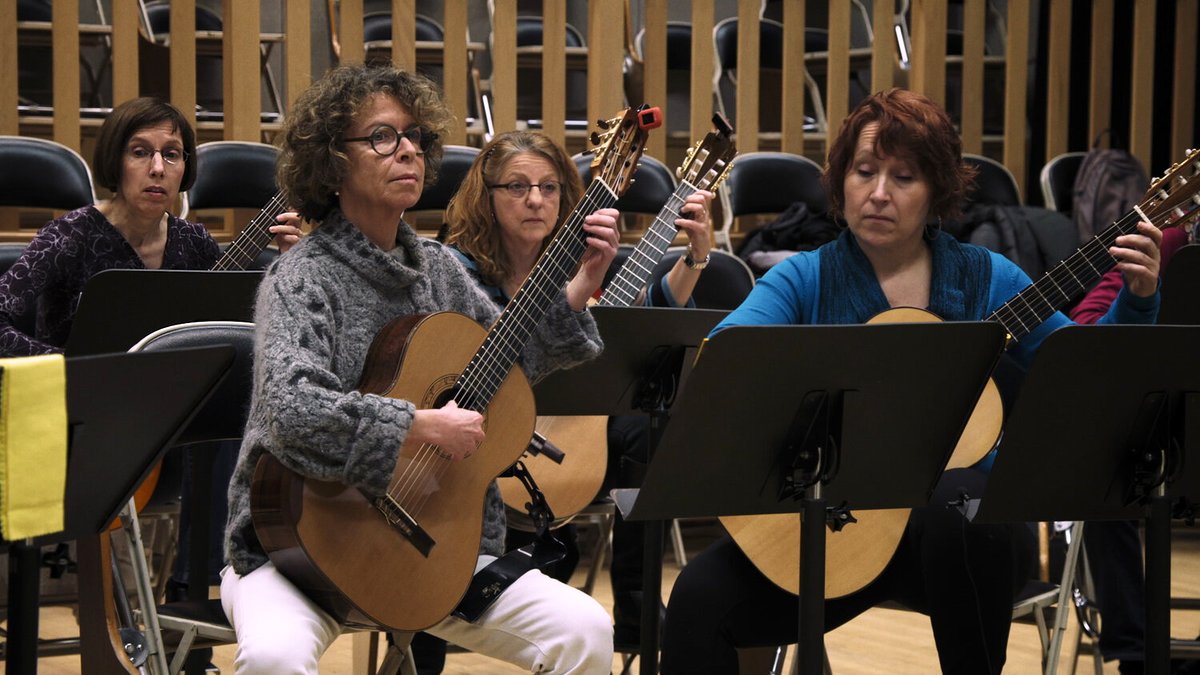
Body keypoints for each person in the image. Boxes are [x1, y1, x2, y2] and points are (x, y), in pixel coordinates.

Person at [659, 88, 1163, 675]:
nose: (878, 193)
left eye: (903, 177)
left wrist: (1140, 299)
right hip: (837, 530)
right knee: (698, 596)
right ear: (840, 180)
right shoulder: (804, 278)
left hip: (964, 542)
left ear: (936, 194)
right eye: (864, 171)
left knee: (957, 509)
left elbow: (1087, 375)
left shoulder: (985, 278)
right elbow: (729, 358)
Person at [219, 64, 617, 674]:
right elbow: (290, 410)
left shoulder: (440, 270)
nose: (406, 149)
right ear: (332, 160)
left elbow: (506, 373)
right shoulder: (300, 276)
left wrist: (580, 286)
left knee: (584, 628)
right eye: (382, 137)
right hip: (298, 546)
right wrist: (418, 425)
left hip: (430, 544)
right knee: (275, 657)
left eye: (414, 137)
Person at [437, 129, 714, 659]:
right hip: (474, 450)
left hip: (570, 442)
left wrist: (695, 259)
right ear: (486, 195)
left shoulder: (572, 260)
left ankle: (636, 604)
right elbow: (498, 363)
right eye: (517, 187)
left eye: (548, 187)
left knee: (649, 433)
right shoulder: (458, 272)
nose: (536, 200)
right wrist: (582, 287)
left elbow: (635, 323)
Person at [0, 96, 302, 358]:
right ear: (115, 161)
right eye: (140, 152)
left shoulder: (194, 242)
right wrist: (69, 363)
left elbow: (238, 335)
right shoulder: (69, 236)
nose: (158, 168)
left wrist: (287, 268)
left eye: (171, 154)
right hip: (78, 406)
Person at [1069, 223, 1192, 675]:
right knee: (1098, 467)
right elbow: (1085, 325)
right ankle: (1135, 654)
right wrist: (1141, 292)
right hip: (1157, 438)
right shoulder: (1168, 241)